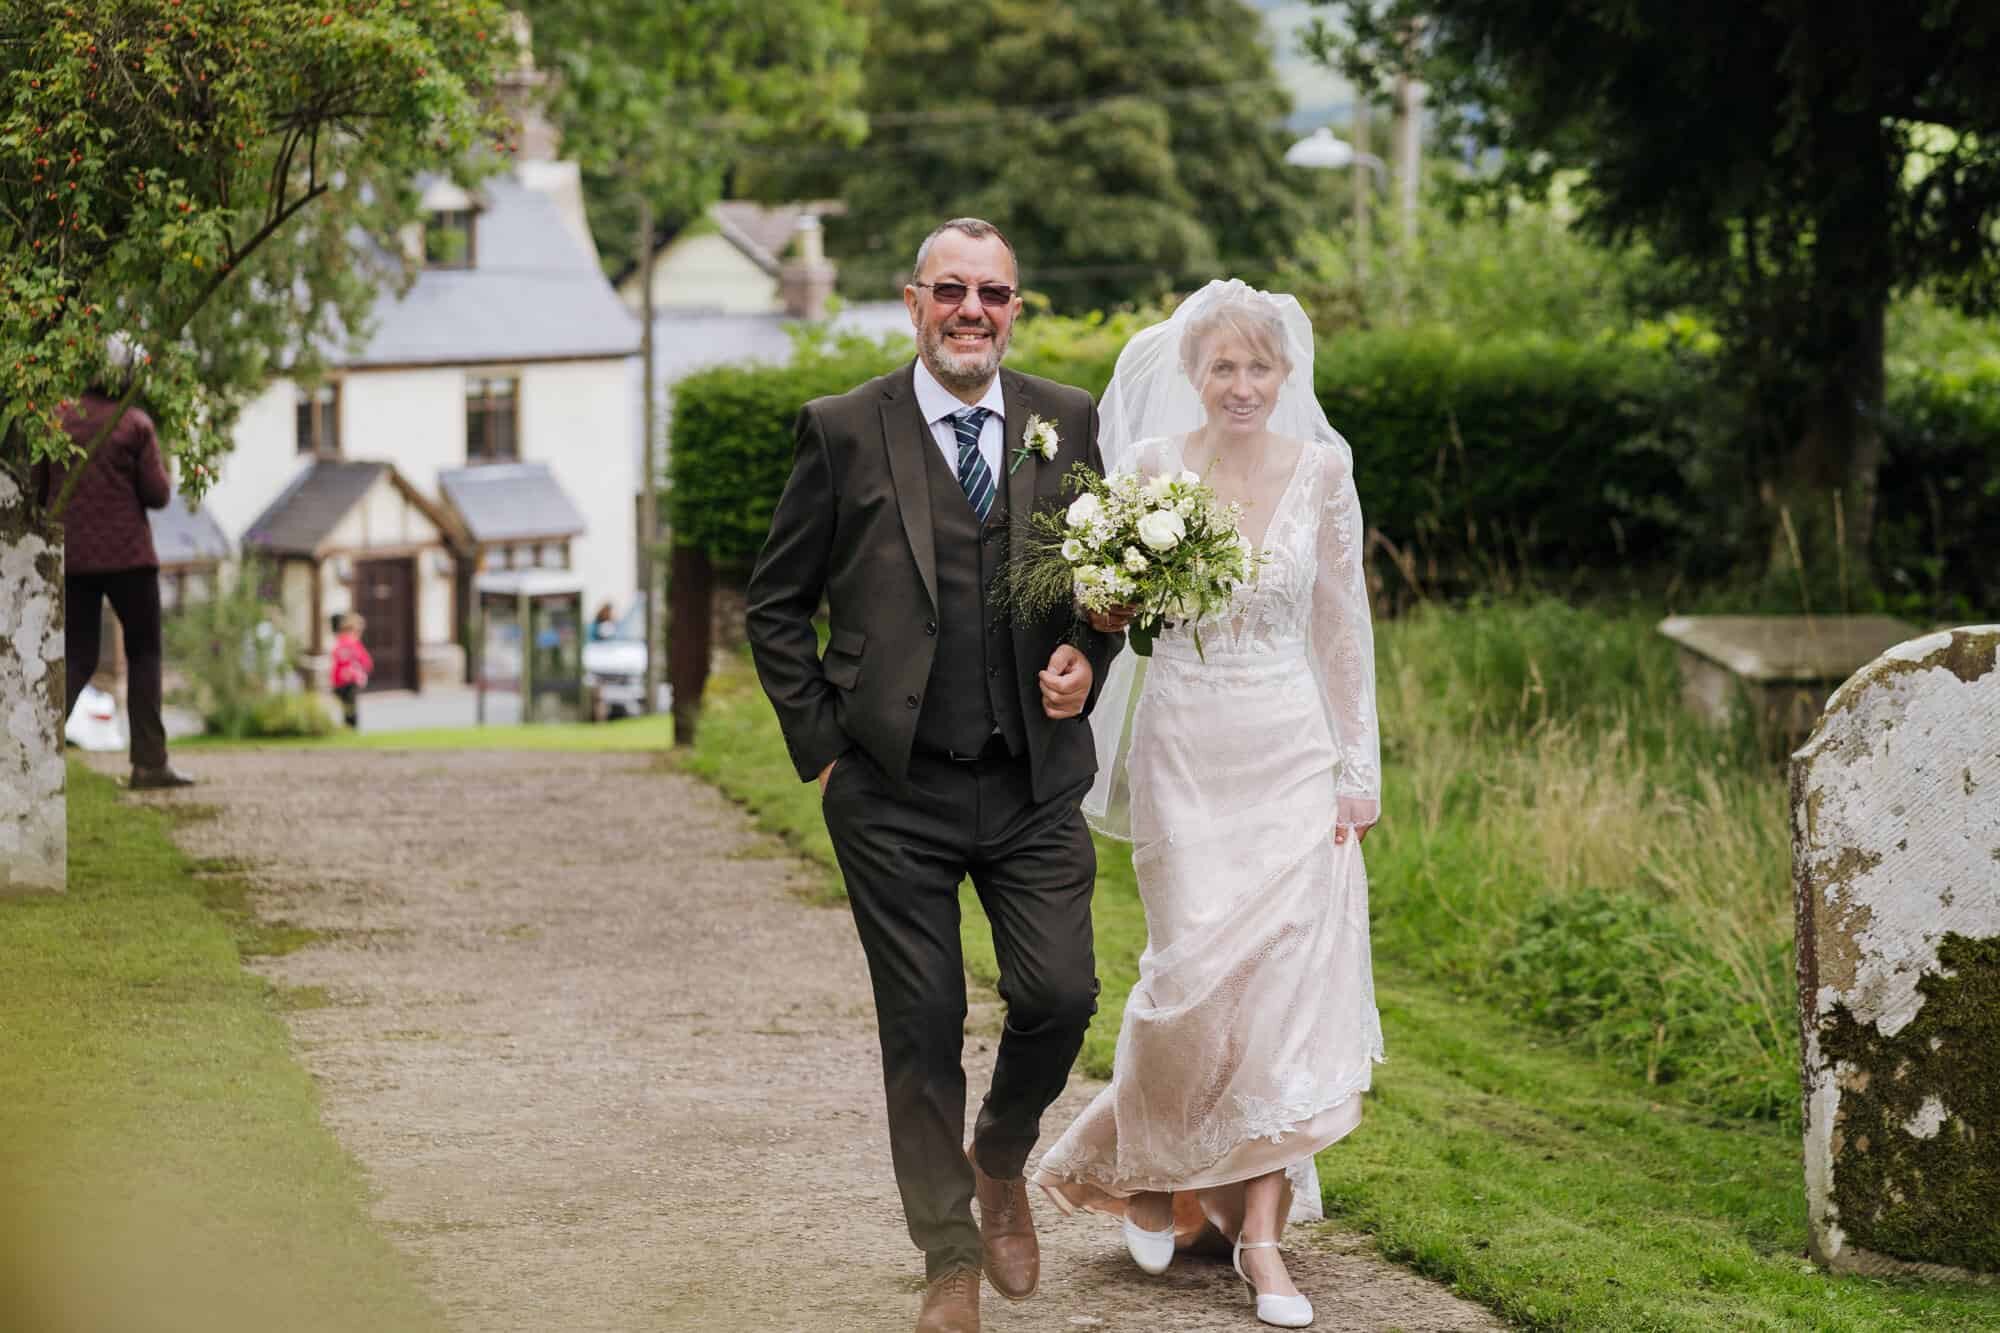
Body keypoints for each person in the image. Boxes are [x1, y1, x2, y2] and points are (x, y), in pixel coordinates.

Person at [746, 217, 1123, 1333]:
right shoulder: (842, 429)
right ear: (912, 301)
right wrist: (821, 744)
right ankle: (946, 1256)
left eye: (993, 294)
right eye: (950, 290)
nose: (972, 311)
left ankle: (998, 1153)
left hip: (1032, 779)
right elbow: (776, 604)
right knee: (919, 1021)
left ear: (1016, 307)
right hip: (890, 789)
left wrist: (1087, 656)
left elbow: (1107, 586)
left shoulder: (1065, 420)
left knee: (1060, 995)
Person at [1031, 281, 1383, 1329]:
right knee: (1182, 979)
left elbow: (1340, 629)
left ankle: (1263, 1243)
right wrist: (1106, 594)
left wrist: (1354, 769)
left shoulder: (1323, 471)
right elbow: (1107, 606)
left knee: (1279, 998)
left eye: (1258, 368)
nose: (1240, 385)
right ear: (1192, 374)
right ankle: (1142, 1166)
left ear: (1285, 377)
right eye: (1221, 366)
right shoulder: (1148, 470)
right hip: (1183, 743)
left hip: (1288, 750)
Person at [36, 359, 194, 790]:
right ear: (125, 378)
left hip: (75, 559)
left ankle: (32, 752)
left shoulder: (57, 420)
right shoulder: (134, 424)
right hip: (130, 558)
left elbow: (38, 488)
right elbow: (158, 495)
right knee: (145, 653)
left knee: (77, 655)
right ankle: (149, 763)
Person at [329, 613, 373, 729]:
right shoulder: (347, 642)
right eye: (358, 630)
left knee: (349, 707)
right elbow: (346, 659)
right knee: (350, 708)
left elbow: (365, 661)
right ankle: (350, 728)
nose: (359, 633)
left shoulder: (346, 642)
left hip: (345, 681)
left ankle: (349, 727)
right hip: (346, 681)